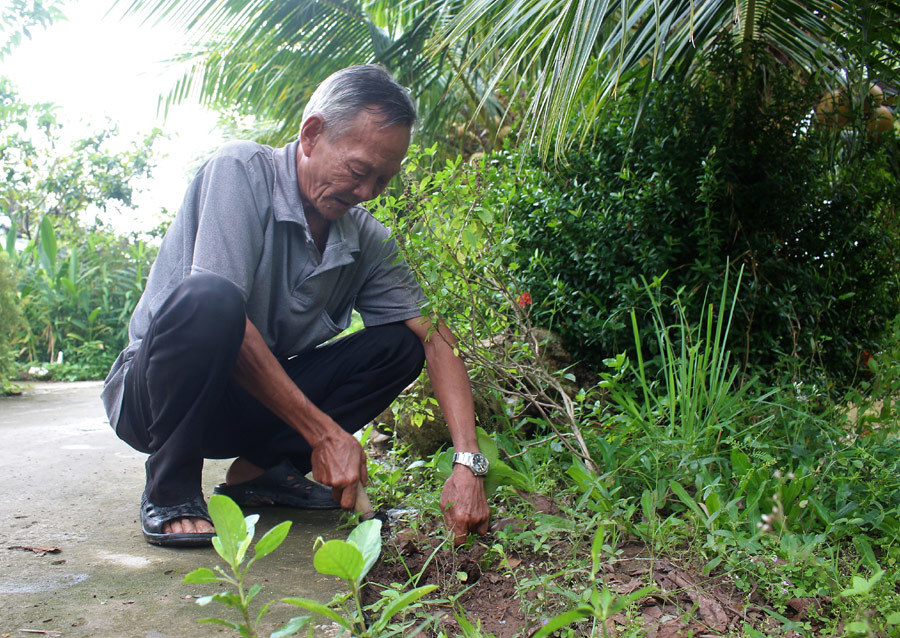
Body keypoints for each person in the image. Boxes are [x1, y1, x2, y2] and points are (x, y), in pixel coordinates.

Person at [101, 65, 490, 548]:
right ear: (311, 135)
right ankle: (172, 487)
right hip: (156, 399)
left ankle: (259, 475)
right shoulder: (240, 171)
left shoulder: (366, 238)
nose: (366, 193)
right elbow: (225, 324)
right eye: (358, 170)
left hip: (238, 408)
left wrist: (467, 461)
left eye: (383, 180)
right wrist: (325, 435)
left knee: (399, 345)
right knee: (213, 298)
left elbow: (435, 336)